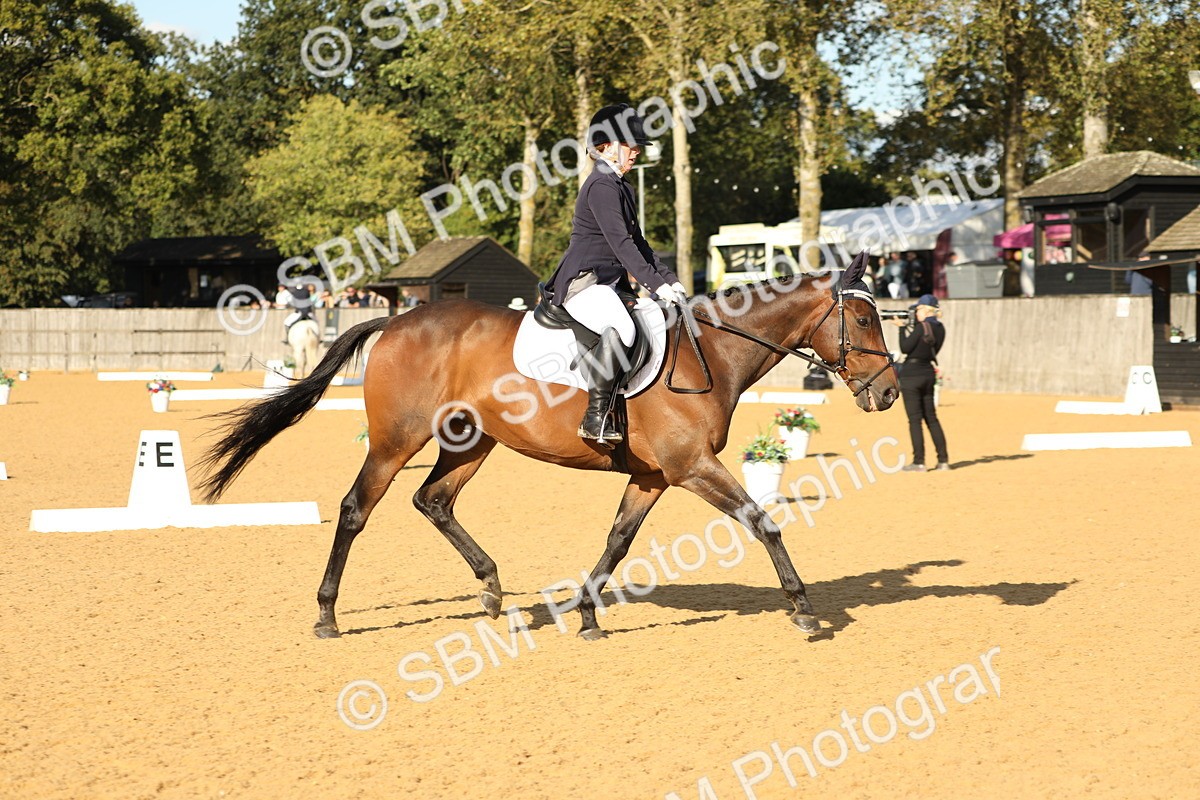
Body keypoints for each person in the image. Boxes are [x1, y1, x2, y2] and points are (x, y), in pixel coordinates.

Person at [543, 102, 685, 442]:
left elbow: (641, 244)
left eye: (637, 146)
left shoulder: (622, 187)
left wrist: (670, 281)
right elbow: (621, 245)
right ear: (605, 145)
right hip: (584, 281)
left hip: (609, 285)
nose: (636, 152)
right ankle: (595, 417)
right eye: (629, 145)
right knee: (620, 326)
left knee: (654, 321)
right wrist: (654, 286)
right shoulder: (602, 186)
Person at [889, 293, 950, 471]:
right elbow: (928, 347)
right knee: (931, 418)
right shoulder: (940, 328)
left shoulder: (921, 327)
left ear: (925, 309)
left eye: (918, 309)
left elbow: (906, 348)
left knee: (915, 420)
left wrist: (901, 328)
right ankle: (943, 460)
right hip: (928, 372)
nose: (916, 312)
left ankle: (919, 462)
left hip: (911, 374)